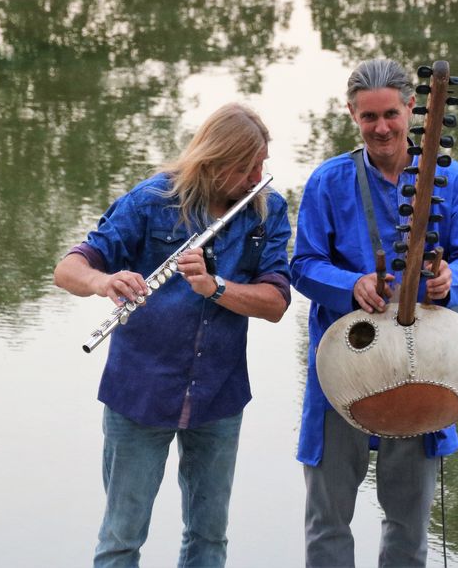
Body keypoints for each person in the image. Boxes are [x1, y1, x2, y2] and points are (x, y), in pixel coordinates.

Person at [54, 103, 292, 568]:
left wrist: (215, 287)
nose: (256, 177)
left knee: (208, 538)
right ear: (213, 162)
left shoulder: (267, 212)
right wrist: (105, 282)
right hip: (140, 391)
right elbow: (68, 270)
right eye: (246, 167)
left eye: (260, 164)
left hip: (218, 396)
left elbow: (276, 304)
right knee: (122, 537)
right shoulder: (152, 201)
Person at [290, 58, 458, 567]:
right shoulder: (328, 181)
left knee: (407, 524)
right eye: (368, 117)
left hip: (425, 367)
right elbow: (303, 265)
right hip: (345, 366)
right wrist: (351, 283)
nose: (381, 127)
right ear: (352, 116)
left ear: (411, 108)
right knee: (327, 521)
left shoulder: (451, 179)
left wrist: (452, 281)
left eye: (390, 114)